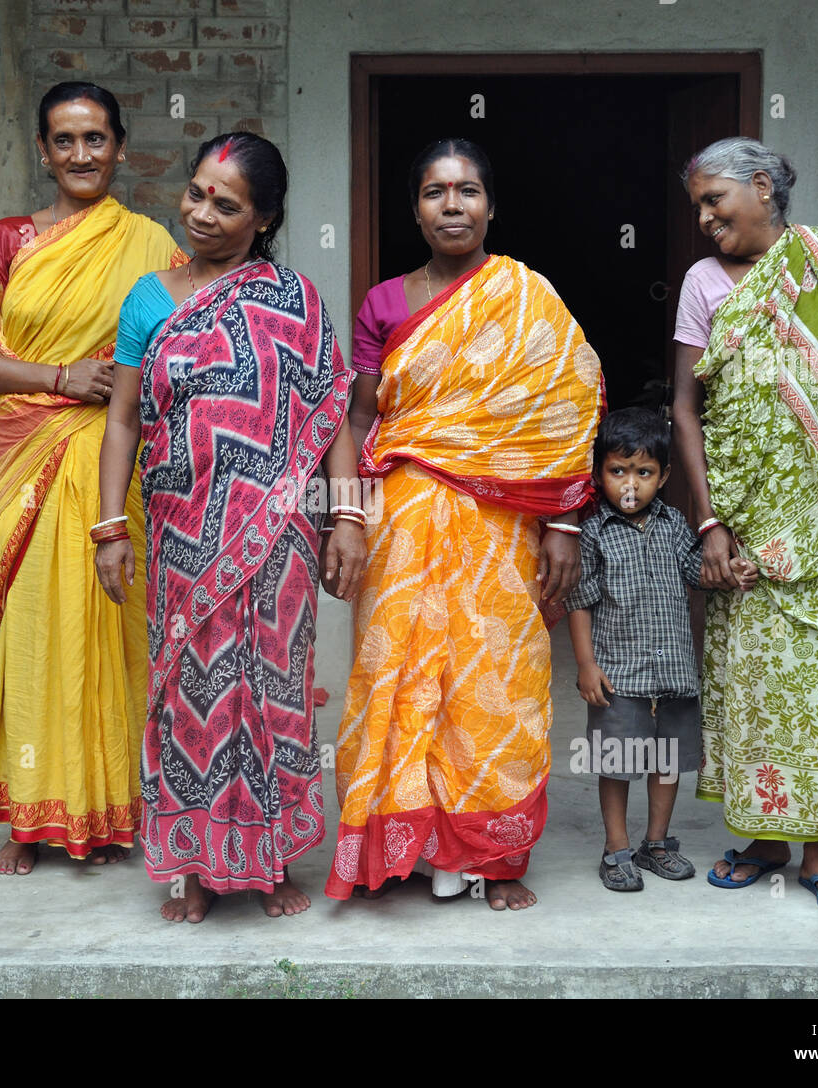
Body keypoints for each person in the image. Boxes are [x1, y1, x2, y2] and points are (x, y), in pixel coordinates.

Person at [324, 138, 604, 910]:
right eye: (435, 192)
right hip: (403, 516)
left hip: (503, 524)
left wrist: (566, 525)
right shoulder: (384, 302)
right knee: (399, 674)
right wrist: (343, 516)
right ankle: (405, 845)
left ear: (490, 205)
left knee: (493, 682)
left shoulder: (526, 297)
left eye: (469, 190)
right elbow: (358, 414)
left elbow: (568, 410)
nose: (453, 206)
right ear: (414, 209)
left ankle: (491, 857)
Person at [95, 133, 363, 923]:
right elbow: (120, 424)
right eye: (196, 193)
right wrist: (111, 528)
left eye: (227, 204)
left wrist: (346, 516)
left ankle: (270, 856)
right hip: (181, 533)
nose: (202, 213)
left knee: (275, 689)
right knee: (190, 690)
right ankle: (193, 865)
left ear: (265, 218)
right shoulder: (150, 297)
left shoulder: (297, 299)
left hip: (278, 535)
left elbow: (333, 411)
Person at [0, 82, 185, 875]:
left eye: (96, 139)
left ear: (120, 146)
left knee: (119, 633)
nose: (82, 154)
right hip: (36, 459)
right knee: (41, 630)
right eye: (65, 140)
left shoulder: (154, 244)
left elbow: (181, 347)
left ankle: (118, 807)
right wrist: (58, 375)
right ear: (44, 152)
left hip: (126, 467)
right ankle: (30, 813)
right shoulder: (9, 241)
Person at [672, 137, 818, 916]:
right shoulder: (704, 282)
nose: (706, 218)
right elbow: (686, 407)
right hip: (746, 523)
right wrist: (708, 522)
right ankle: (767, 837)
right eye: (699, 206)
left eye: (715, 200)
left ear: (764, 186)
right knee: (754, 686)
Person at [565, 408, 758, 891]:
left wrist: (733, 572)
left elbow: (702, 574)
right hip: (618, 676)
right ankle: (616, 849)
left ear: (664, 476)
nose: (631, 484)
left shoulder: (674, 525)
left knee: (666, 761)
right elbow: (580, 602)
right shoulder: (592, 533)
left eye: (644, 472)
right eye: (618, 471)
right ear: (598, 472)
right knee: (617, 764)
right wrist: (586, 665)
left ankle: (656, 843)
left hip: (673, 674)